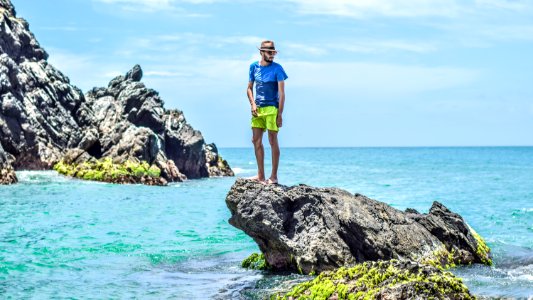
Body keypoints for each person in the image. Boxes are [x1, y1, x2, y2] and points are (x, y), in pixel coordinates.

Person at [247, 40, 288, 184]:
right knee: (255, 141)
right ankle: (260, 176)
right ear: (261, 52)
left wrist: (280, 114)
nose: (272, 55)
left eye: (273, 52)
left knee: (272, 140)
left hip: (272, 109)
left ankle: (274, 176)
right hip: (257, 109)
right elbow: (249, 88)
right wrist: (252, 104)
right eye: (269, 52)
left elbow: (282, 94)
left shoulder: (278, 69)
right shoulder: (254, 67)